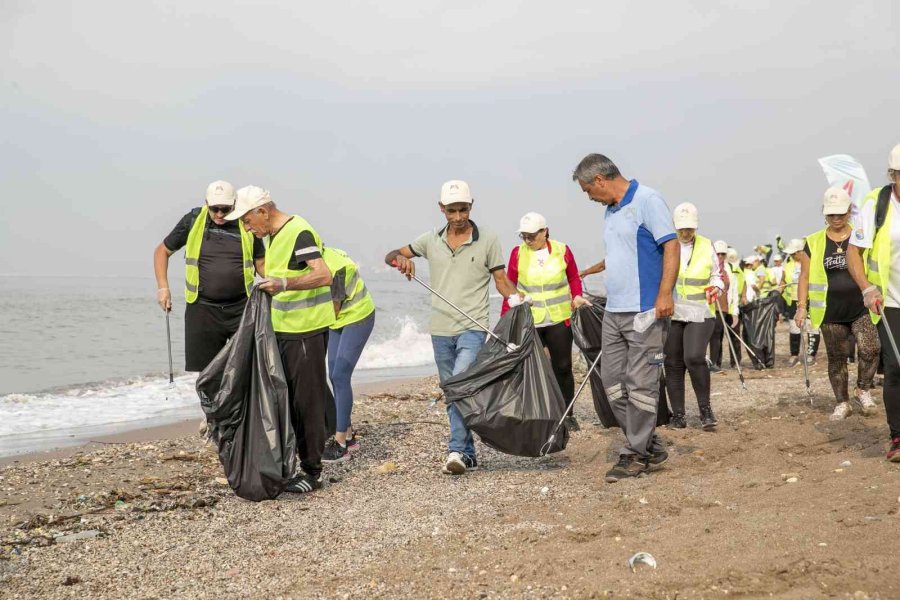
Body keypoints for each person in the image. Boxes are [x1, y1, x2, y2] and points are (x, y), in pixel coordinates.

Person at [384, 180, 520, 476]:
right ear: (441, 209)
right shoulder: (430, 239)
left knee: (459, 381)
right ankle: (467, 453)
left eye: (463, 209)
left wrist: (518, 299)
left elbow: (500, 279)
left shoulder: (488, 239)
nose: (458, 216)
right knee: (452, 391)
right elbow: (392, 253)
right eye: (451, 211)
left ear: (472, 206)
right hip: (440, 328)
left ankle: (456, 448)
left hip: (472, 326)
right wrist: (401, 260)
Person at [572, 153, 677, 482]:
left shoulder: (648, 200)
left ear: (600, 180)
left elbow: (670, 246)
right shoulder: (610, 212)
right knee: (612, 383)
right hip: (614, 311)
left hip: (646, 311)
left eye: (588, 190)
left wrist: (664, 294)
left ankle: (635, 454)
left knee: (642, 384)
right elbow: (620, 256)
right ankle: (648, 443)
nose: (589, 197)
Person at [227, 186, 335, 494]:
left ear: (263, 211)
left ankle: (313, 471)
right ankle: (291, 463)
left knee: (307, 402)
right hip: (284, 330)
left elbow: (323, 274)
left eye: (248, 221)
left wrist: (284, 283)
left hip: (305, 331)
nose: (247, 228)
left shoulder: (299, 231)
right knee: (287, 400)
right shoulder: (272, 237)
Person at [153, 180, 265, 372]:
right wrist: (163, 288)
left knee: (246, 370)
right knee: (208, 374)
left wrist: (282, 283)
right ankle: (211, 403)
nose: (220, 214)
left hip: (241, 309)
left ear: (234, 204)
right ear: (206, 203)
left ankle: (238, 403)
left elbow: (261, 263)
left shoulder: (246, 223)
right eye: (215, 209)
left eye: (225, 209)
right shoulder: (193, 220)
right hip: (202, 310)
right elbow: (162, 251)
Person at [795, 187, 880, 421]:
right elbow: (804, 276)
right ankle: (842, 403)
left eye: (840, 213)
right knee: (837, 357)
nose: (836, 218)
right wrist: (802, 306)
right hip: (830, 310)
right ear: (824, 214)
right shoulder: (812, 242)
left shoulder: (861, 236)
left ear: (849, 212)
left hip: (861, 307)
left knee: (870, 348)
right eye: (831, 214)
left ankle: (863, 389)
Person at [501, 212, 591, 431]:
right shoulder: (517, 253)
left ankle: (567, 414)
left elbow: (573, 278)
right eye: (524, 236)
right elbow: (509, 285)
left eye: (532, 235)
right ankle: (539, 414)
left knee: (562, 366)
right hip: (530, 320)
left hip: (559, 318)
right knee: (533, 367)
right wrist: (505, 318)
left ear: (545, 232)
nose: (528, 240)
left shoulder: (562, 250)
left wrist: (577, 295)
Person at [847, 143, 900, 461]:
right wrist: (866, 287)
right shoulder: (877, 205)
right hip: (890, 300)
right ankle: (898, 438)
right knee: (895, 367)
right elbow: (855, 251)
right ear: (894, 175)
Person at [664, 203, 724, 430]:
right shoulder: (666, 246)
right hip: (673, 311)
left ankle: (705, 410)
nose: (685, 233)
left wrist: (716, 288)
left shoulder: (706, 245)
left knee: (694, 357)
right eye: (682, 228)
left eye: (689, 228)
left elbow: (717, 276)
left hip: (701, 312)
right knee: (673, 363)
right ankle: (678, 415)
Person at [320, 247, 376, 463]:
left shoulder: (335, 267)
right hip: (338, 320)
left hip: (358, 316)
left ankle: (341, 443)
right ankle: (350, 435)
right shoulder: (318, 257)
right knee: (333, 373)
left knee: (341, 375)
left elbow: (332, 306)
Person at [708, 240, 732, 373]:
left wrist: (733, 310)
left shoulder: (728, 268)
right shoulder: (711, 266)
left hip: (722, 307)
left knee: (717, 335)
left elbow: (732, 289)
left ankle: (715, 362)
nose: (721, 257)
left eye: (723, 254)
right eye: (718, 254)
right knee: (707, 335)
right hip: (710, 304)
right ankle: (706, 361)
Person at [782, 238, 807, 367]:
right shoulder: (788, 264)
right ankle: (794, 355)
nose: (791, 256)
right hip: (792, 300)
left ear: (801, 251)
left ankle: (811, 355)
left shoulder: (810, 262)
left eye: (793, 253)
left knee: (812, 328)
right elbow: (783, 279)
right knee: (794, 328)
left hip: (809, 299)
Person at [723, 248, 747, 368]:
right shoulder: (721, 268)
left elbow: (744, 283)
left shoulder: (737, 269)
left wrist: (743, 296)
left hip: (734, 306)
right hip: (722, 306)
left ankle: (736, 362)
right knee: (717, 336)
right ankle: (716, 363)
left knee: (735, 336)